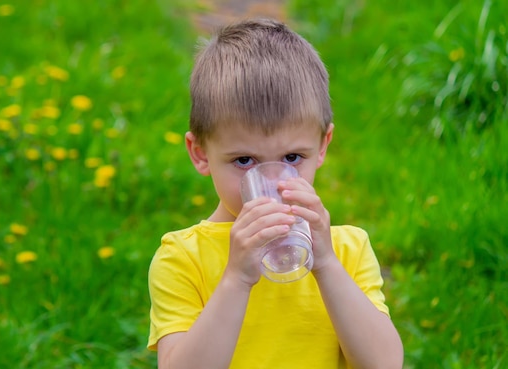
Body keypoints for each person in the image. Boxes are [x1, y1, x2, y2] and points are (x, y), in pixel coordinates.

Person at [147, 18, 404, 369]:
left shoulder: (346, 250)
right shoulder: (182, 258)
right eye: (244, 160)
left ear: (323, 146)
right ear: (201, 154)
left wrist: (326, 264)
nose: (271, 184)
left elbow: (384, 363)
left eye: (292, 158)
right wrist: (236, 278)